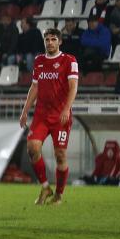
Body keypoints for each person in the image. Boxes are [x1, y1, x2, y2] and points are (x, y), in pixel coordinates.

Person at [19, 28, 79, 205]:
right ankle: (45, 186)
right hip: (41, 115)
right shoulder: (39, 61)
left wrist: (67, 108)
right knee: (32, 148)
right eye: (47, 39)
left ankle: (59, 195)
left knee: (60, 155)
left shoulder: (69, 60)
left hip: (60, 116)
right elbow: (34, 87)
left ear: (60, 42)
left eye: (53, 39)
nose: (50, 43)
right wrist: (25, 111)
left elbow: (73, 86)